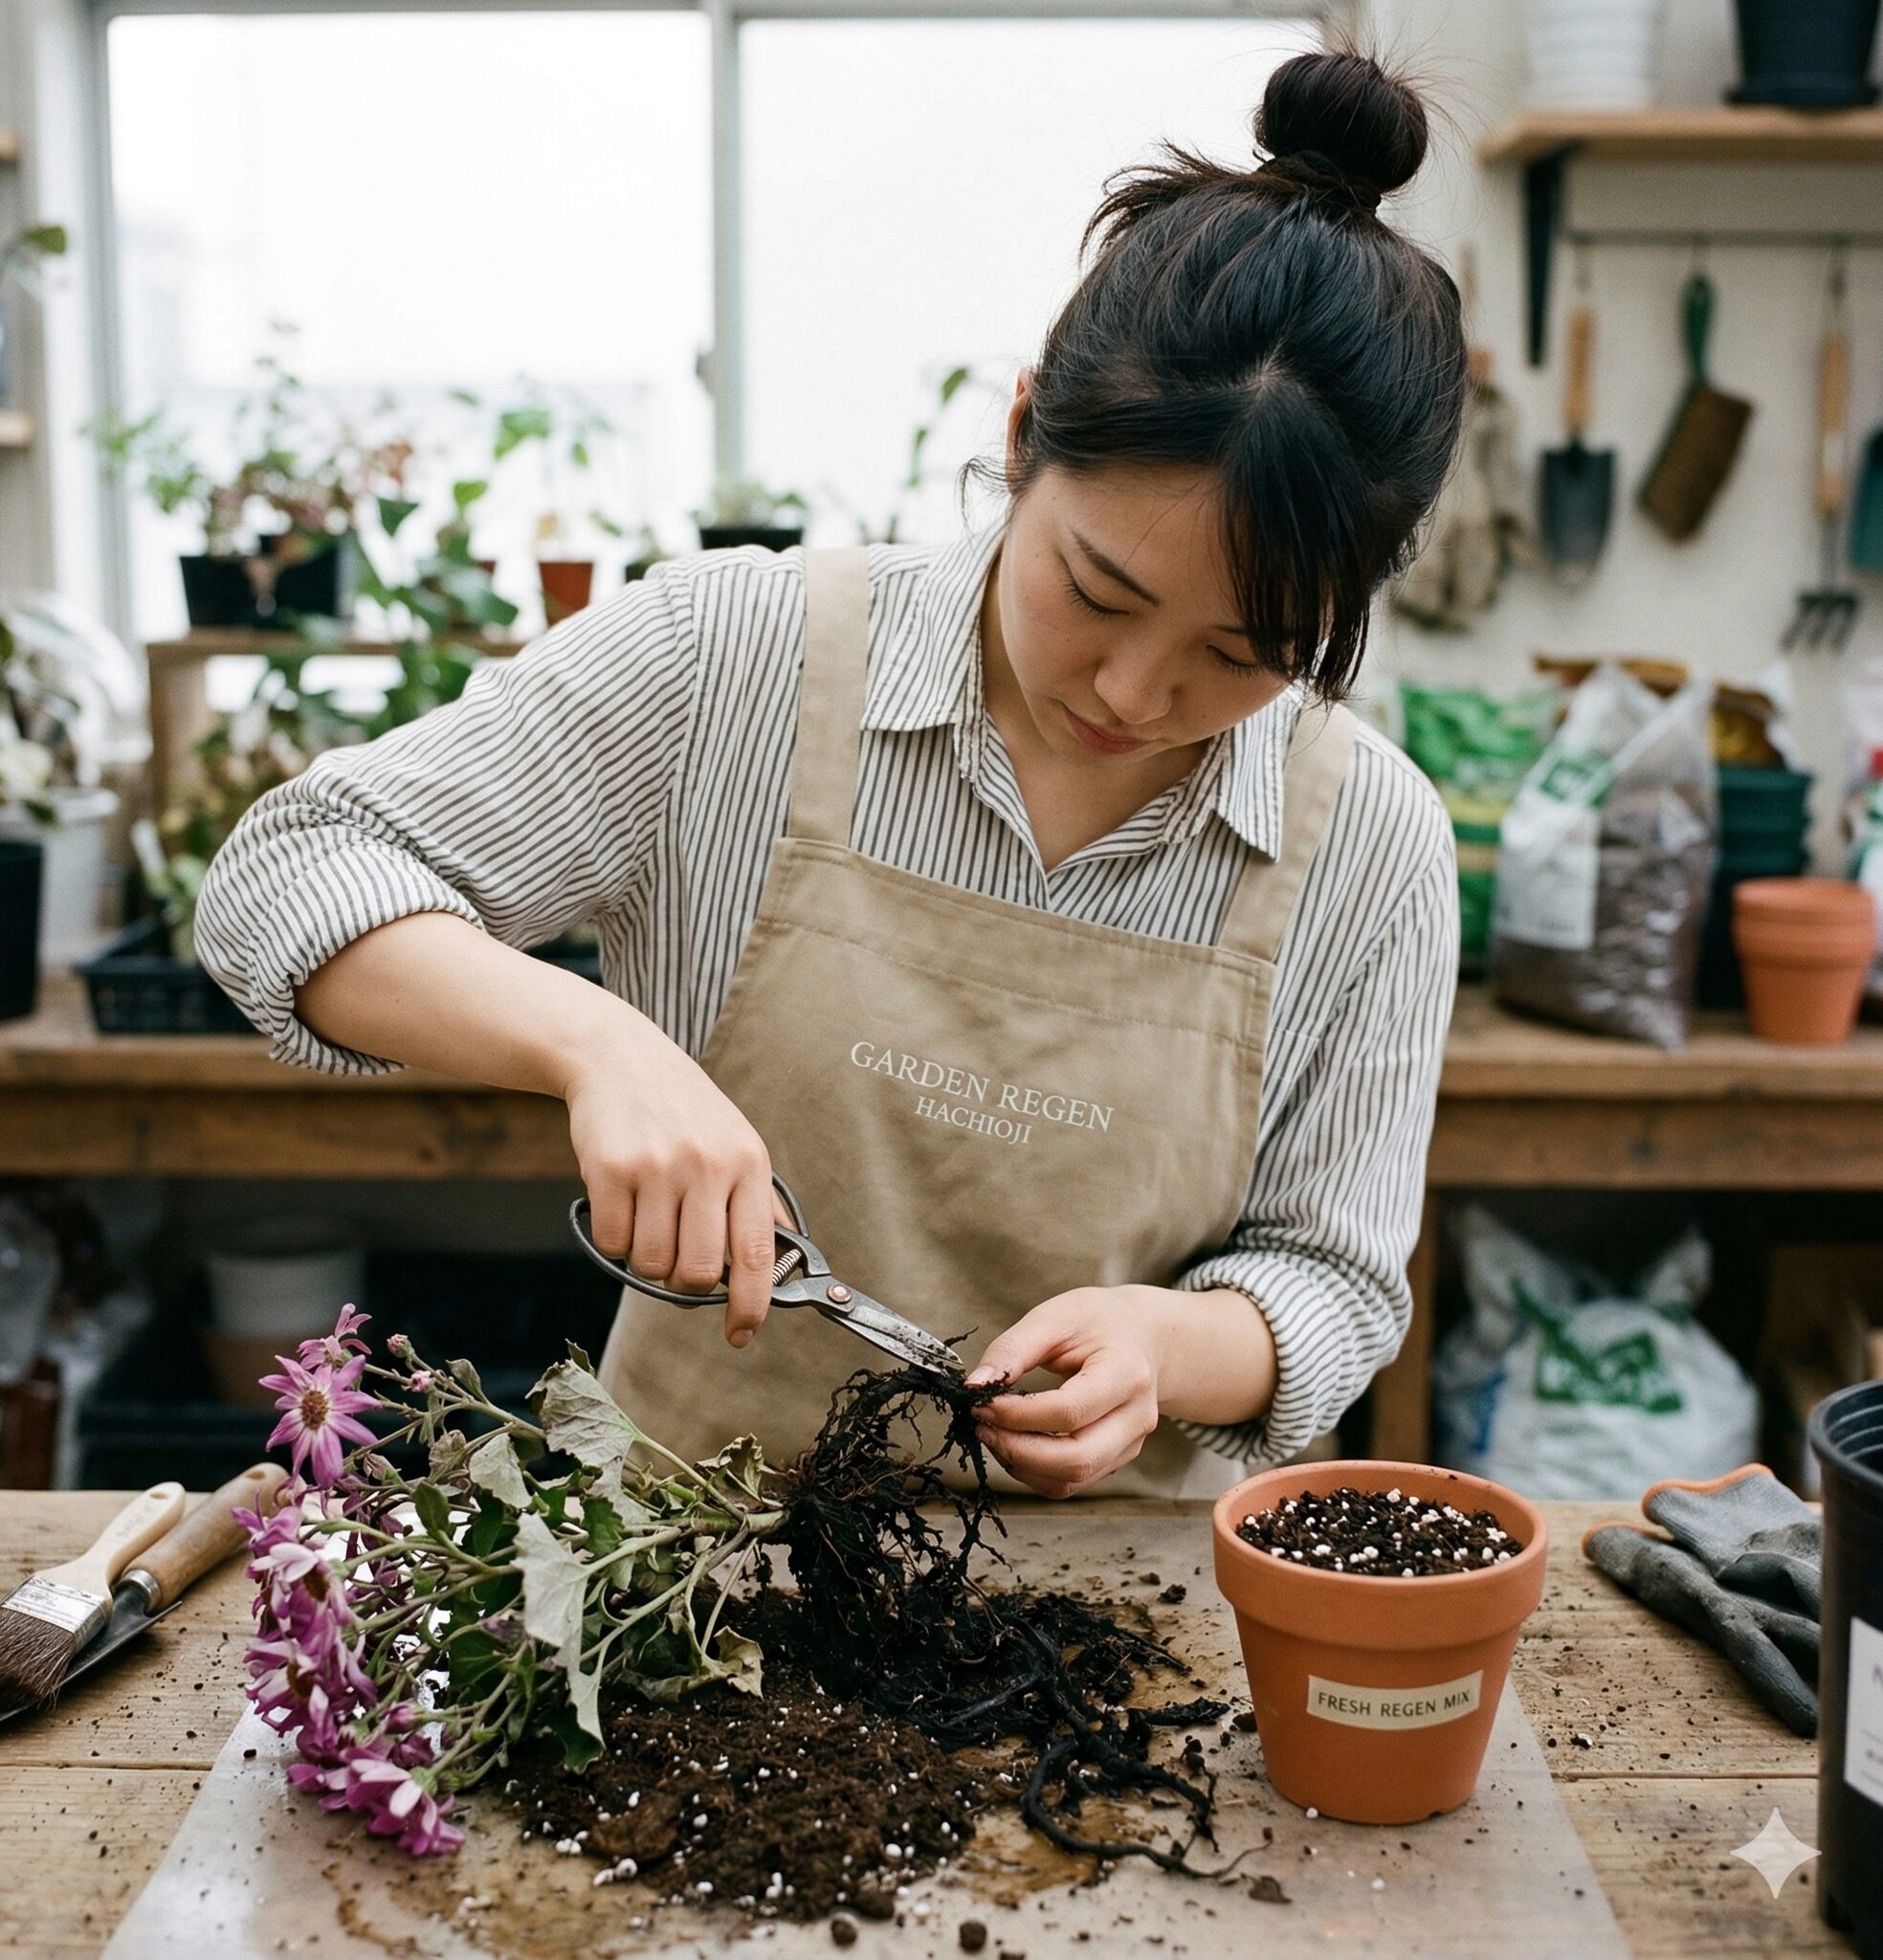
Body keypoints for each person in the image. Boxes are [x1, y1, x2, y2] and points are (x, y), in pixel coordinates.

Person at [197, 48, 1466, 1500]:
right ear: (1022, 435)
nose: (1133, 693)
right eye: (1097, 592)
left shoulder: (1368, 840)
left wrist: (1168, 1346)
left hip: (1119, 1594)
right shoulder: (731, 659)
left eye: (1247, 653)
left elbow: (1335, 1281)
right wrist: (598, 1047)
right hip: (684, 1562)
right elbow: (289, 872)